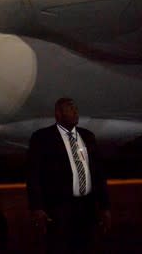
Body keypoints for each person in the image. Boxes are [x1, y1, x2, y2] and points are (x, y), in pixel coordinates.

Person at [27, 97, 110, 254]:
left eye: (76, 108)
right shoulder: (43, 138)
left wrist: (105, 206)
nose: (75, 112)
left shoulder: (88, 137)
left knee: (86, 246)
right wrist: (37, 207)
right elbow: (33, 175)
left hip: (87, 207)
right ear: (58, 113)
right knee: (60, 247)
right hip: (59, 209)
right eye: (70, 108)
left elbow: (98, 173)